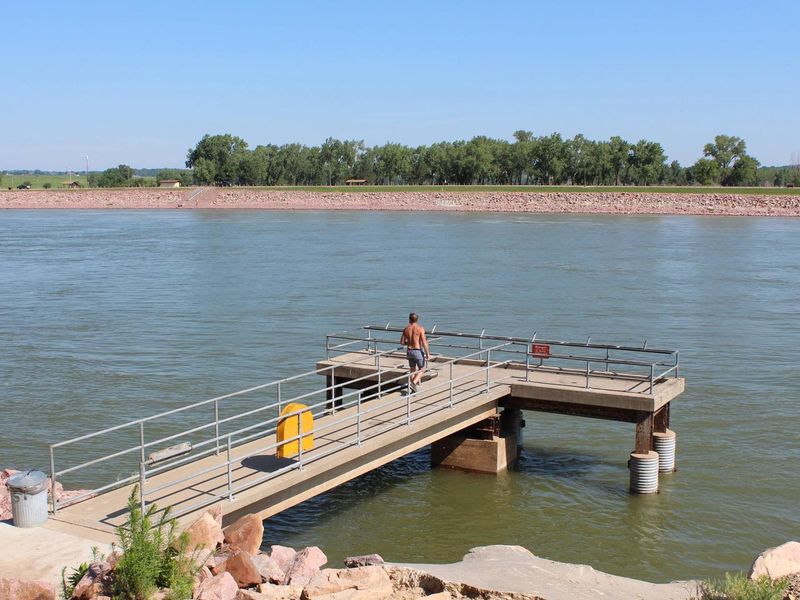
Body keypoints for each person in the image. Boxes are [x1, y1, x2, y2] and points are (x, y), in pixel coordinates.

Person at [400, 313, 430, 393]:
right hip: (417, 351)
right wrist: (428, 353)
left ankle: (413, 388)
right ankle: (413, 383)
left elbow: (402, 342)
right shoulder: (420, 328)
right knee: (422, 369)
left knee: (412, 369)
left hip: (409, 351)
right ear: (417, 320)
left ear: (409, 319)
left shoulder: (406, 329)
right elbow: (424, 342)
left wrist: (409, 343)